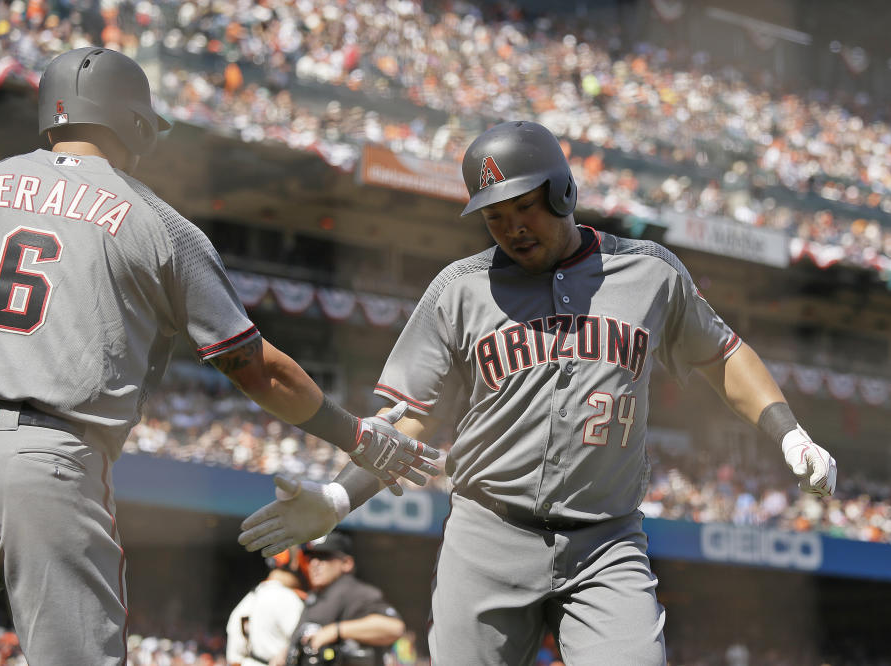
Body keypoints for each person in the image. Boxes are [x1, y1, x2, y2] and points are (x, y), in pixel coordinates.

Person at [239, 121, 838, 664]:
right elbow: (409, 421)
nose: (511, 228)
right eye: (495, 216)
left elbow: (724, 356)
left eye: (525, 207)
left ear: (563, 193)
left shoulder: (650, 272)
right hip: (486, 535)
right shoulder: (458, 290)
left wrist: (788, 431)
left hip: (606, 541)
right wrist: (340, 499)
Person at [0, 46, 438, 666]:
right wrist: (355, 437)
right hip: (52, 463)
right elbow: (255, 368)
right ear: (136, 125)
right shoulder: (160, 223)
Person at [283, 531, 405, 666]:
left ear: (346, 563)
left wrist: (336, 631)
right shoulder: (315, 596)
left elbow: (394, 628)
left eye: (324, 557)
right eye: (311, 558)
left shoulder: (357, 592)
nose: (315, 563)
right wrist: (287, 652)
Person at [226, 549, 307, 666]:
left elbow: (234, 659)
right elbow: (305, 641)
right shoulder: (285, 597)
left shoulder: (247, 600)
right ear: (295, 564)